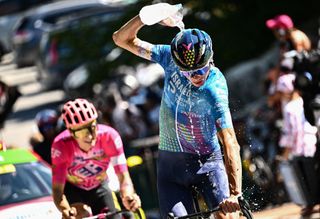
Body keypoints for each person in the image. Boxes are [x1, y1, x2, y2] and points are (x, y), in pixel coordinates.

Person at [113, 3, 242, 219]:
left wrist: (236, 193)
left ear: (211, 59)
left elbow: (229, 141)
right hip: (170, 167)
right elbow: (121, 39)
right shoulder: (169, 58)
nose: (195, 77)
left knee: (227, 217)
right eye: (187, 72)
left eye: (200, 70)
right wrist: (145, 17)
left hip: (207, 164)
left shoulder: (214, 89)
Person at [51, 98, 141, 219]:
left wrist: (128, 196)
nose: (89, 136)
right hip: (73, 189)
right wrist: (66, 210)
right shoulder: (61, 146)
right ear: (72, 133)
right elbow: (57, 190)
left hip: (99, 186)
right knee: (81, 214)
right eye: (81, 132)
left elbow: (123, 177)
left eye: (92, 128)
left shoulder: (110, 137)